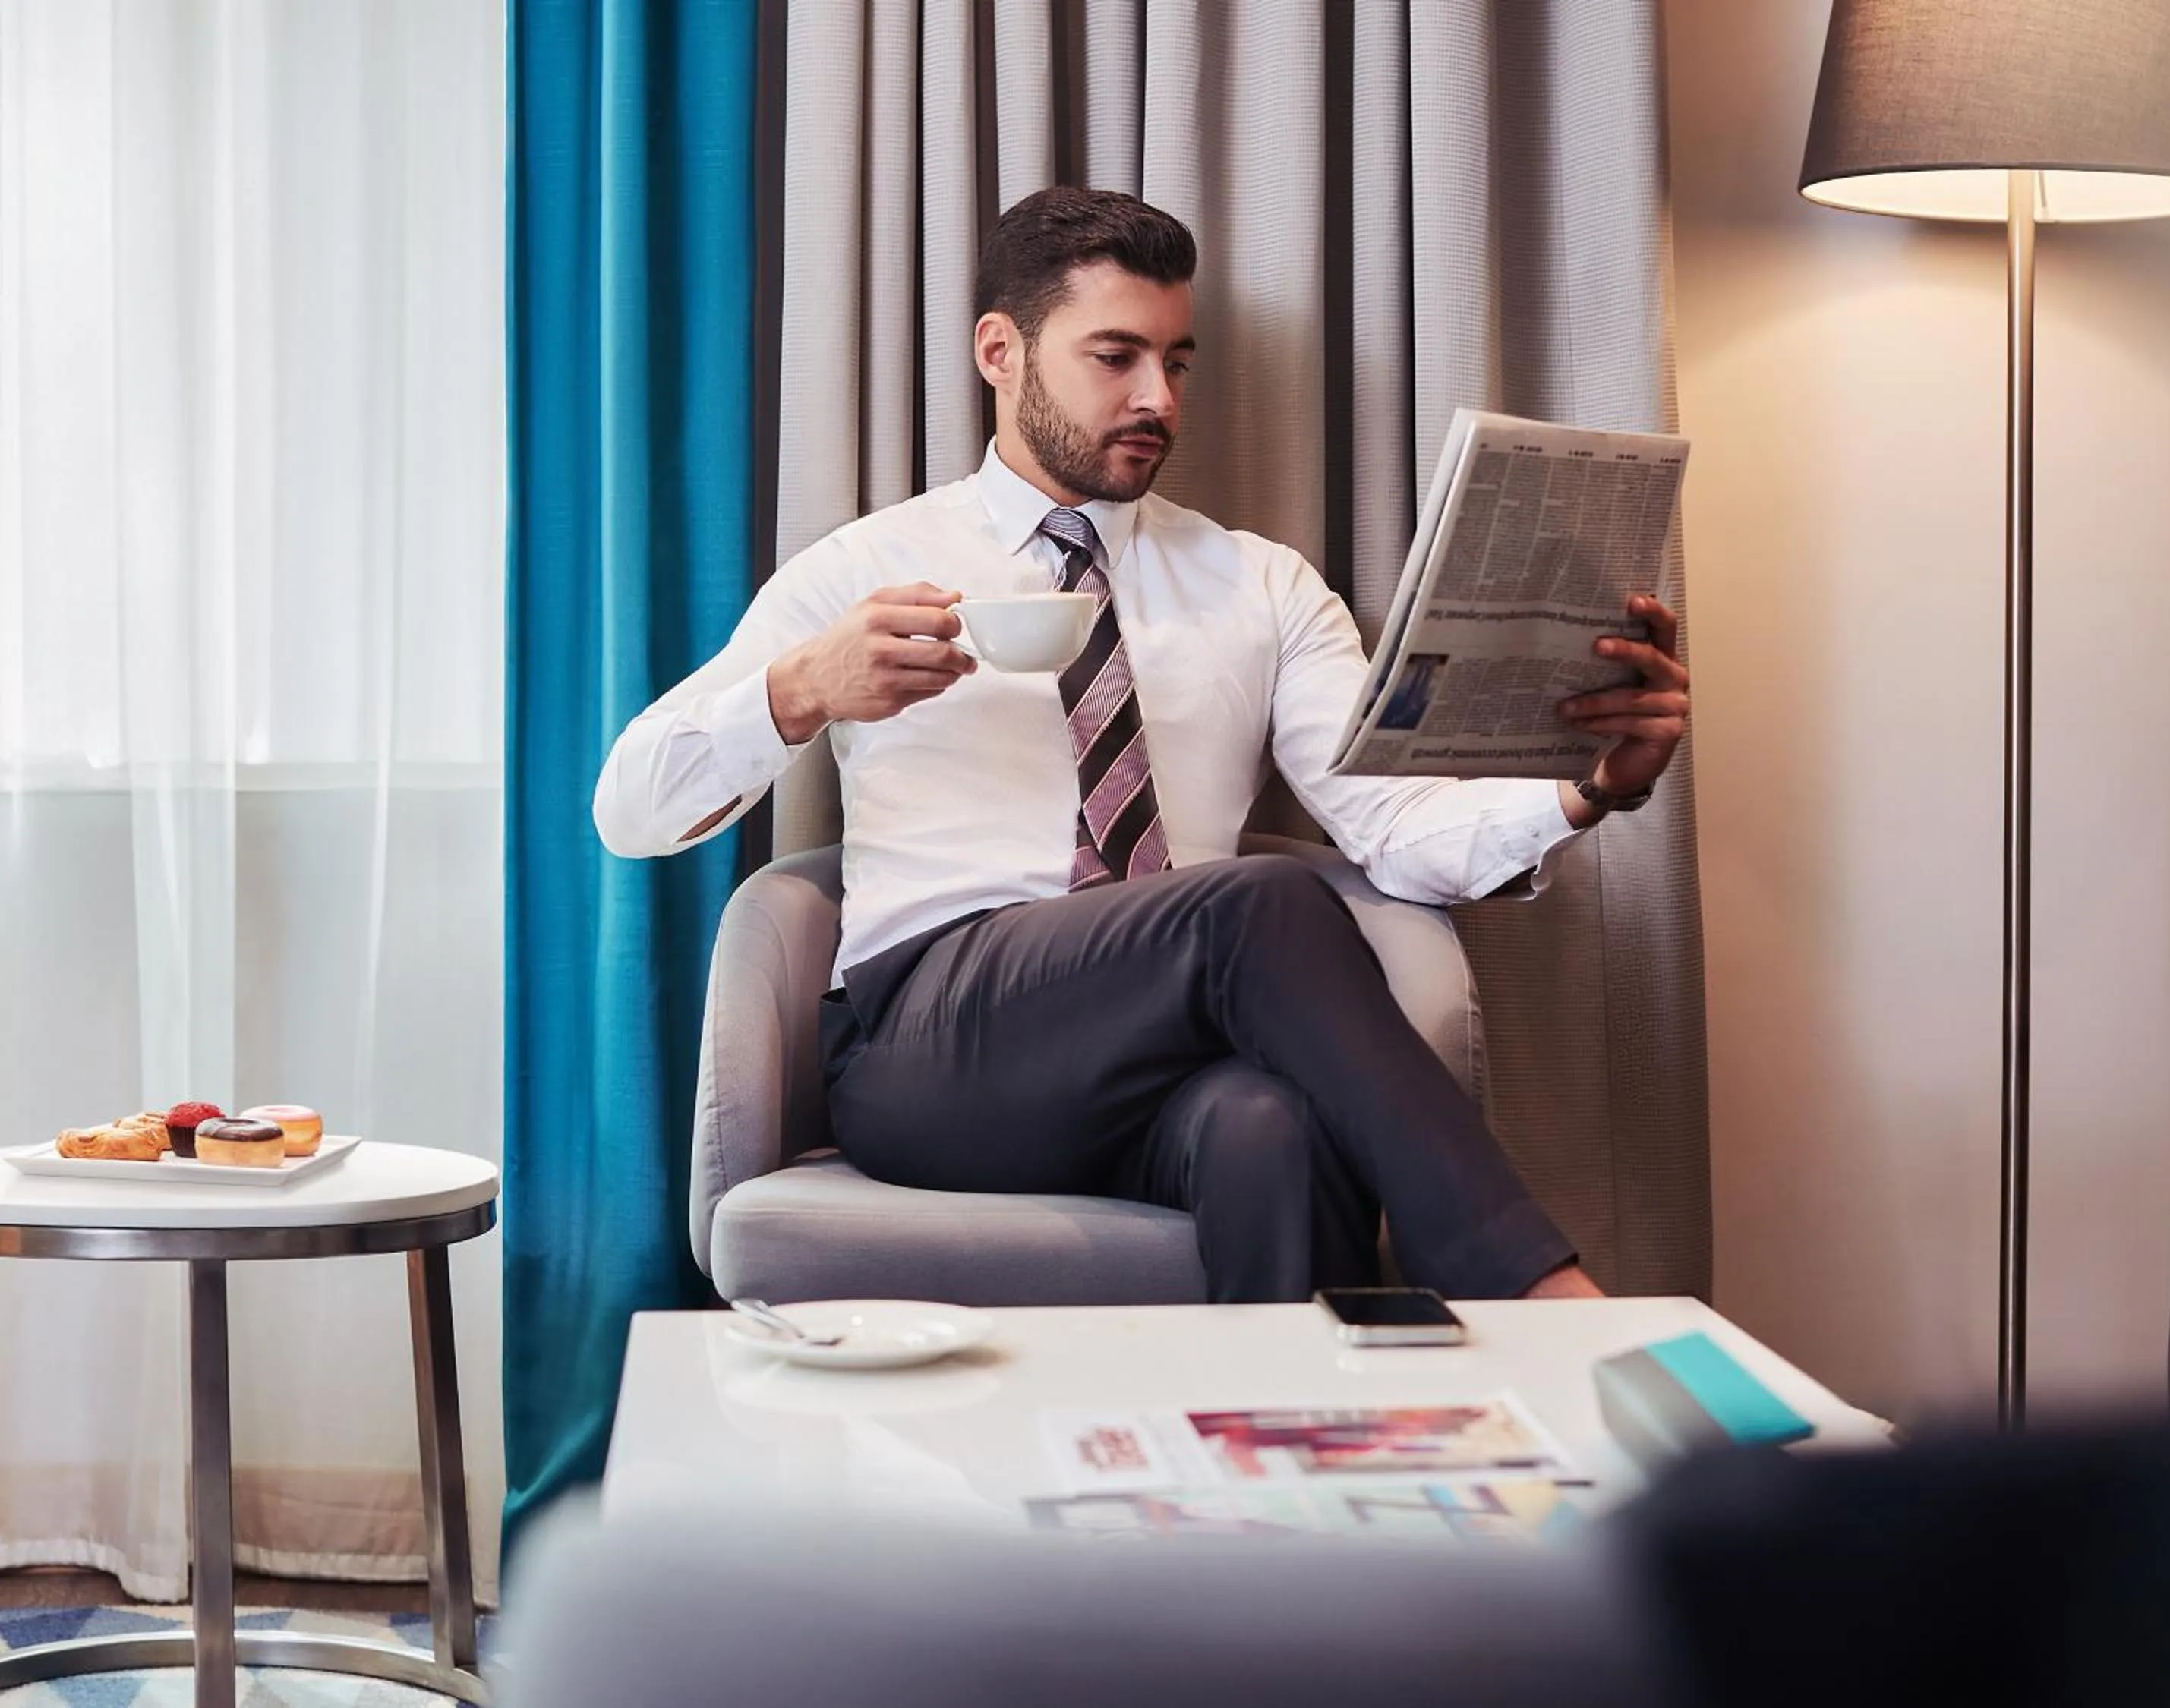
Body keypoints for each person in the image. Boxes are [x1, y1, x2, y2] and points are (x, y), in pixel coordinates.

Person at [594, 187, 1691, 1303]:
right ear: (1001, 352)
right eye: (1116, 356)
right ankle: (1530, 1288)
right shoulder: (867, 566)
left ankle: (1291, 1462)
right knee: (1254, 899)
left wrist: (1588, 788)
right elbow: (628, 808)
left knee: (1269, 1126)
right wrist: (801, 689)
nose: (1156, 398)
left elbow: (1393, 828)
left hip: (1163, 1054)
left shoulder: (1261, 583)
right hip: (931, 1044)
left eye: (1178, 362)